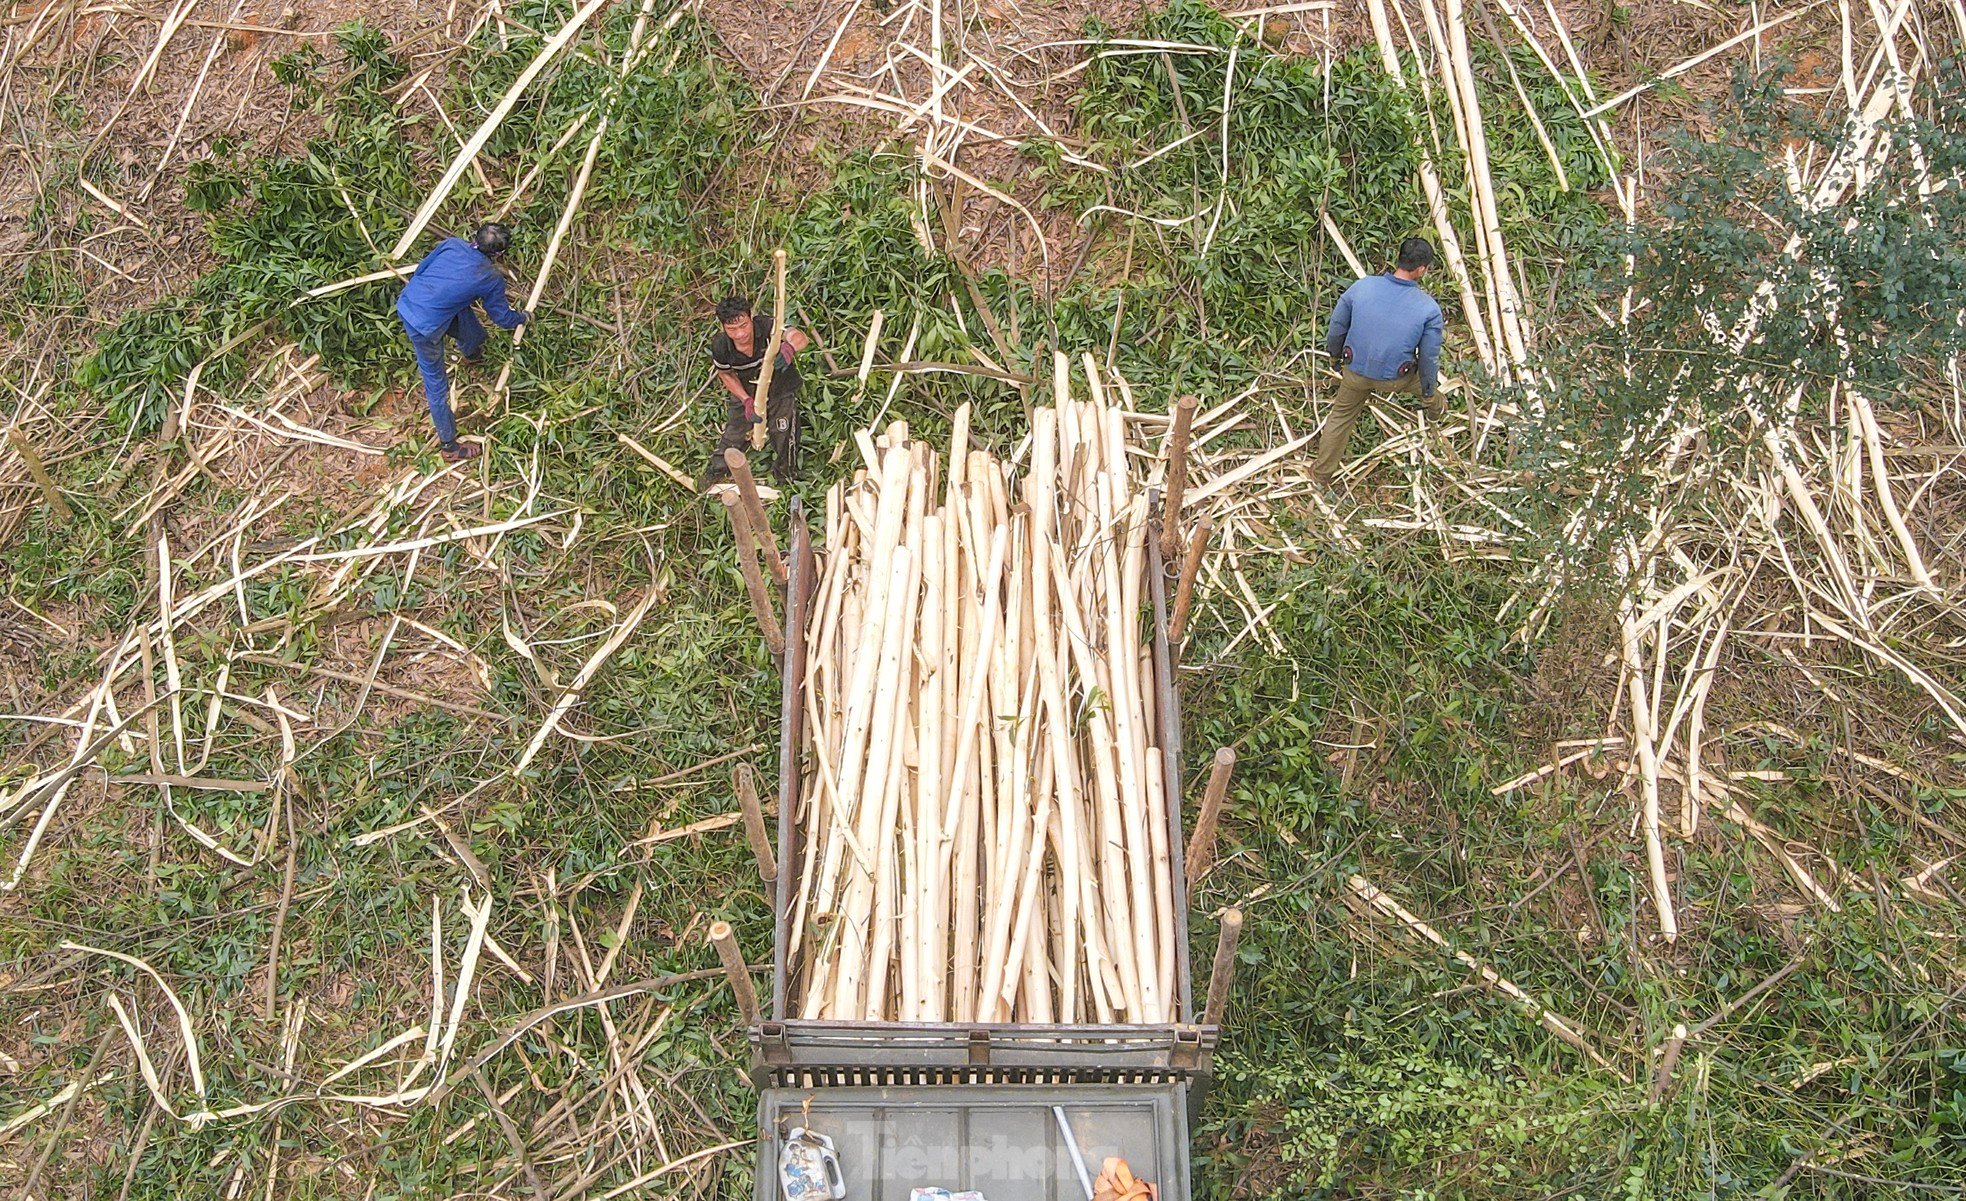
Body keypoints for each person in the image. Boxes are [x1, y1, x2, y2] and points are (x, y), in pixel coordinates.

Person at [1310, 237, 1446, 483]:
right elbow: (1428, 357)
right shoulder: (1428, 308)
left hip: (1355, 372)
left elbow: (1337, 327)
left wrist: (1335, 357)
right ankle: (1436, 415)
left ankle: (1320, 476)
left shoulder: (1362, 287)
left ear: (1399, 259)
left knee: (1340, 417)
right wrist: (1428, 390)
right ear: (1422, 269)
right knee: (1434, 395)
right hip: (1395, 379)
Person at [396, 222, 528, 463]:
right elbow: (502, 318)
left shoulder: (452, 244)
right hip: (424, 326)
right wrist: (523, 317)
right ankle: (449, 446)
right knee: (435, 383)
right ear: (499, 254)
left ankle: (471, 353)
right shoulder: (490, 277)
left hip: (409, 300)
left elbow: (421, 270)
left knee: (472, 330)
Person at [702, 294, 810, 489]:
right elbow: (726, 375)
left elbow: (799, 336)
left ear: (750, 318)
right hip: (747, 391)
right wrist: (745, 400)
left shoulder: (768, 327)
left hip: (780, 389)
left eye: (743, 326)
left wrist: (789, 348)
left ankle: (786, 478)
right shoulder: (721, 345)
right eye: (732, 329)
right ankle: (716, 472)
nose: (740, 334)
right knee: (733, 434)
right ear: (724, 328)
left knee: (784, 431)